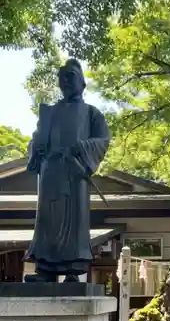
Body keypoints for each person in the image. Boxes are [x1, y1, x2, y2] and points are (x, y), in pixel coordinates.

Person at [24, 59, 110, 283]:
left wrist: (81, 148)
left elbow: (102, 140)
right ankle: (45, 270)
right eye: (62, 77)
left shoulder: (91, 113)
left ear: (82, 81)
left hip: (73, 172)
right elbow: (35, 140)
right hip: (50, 172)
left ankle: (73, 269)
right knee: (47, 219)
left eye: (70, 76)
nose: (65, 81)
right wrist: (37, 148)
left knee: (74, 220)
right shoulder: (50, 113)